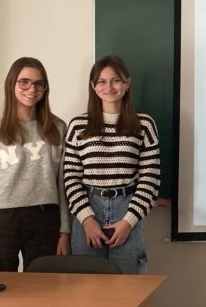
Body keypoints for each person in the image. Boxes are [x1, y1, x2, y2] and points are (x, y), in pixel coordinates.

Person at [64, 55, 160, 274]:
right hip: (87, 211)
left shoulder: (144, 125)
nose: (109, 87)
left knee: (129, 287)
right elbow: (70, 178)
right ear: (93, 86)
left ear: (127, 83)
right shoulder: (78, 125)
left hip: (128, 210)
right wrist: (87, 220)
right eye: (102, 81)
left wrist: (128, 221)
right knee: (86, 288)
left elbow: (150, 179)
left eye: (116, 80)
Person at [0, 57, 70, 272]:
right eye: (24, 82)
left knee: (45, 287)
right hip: (2, 220)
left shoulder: (58, 127)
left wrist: (65, 230)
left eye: (39, 83)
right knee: (0, 286)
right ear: (12, 84)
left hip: (47, 219)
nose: (32, 89)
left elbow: (63, 184)